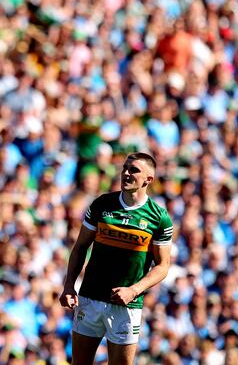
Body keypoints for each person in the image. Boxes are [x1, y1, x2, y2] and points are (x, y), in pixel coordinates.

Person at [60, 153, 173, 364]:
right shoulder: (102, 205)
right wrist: (68, 286)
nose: (126, 173)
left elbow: (163, 265)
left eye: (134, 170)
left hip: (127, 306)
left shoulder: (159, 217)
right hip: (90, 298)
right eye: (125, 168)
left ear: (148, 179)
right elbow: (80, 247)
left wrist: (134, 290)